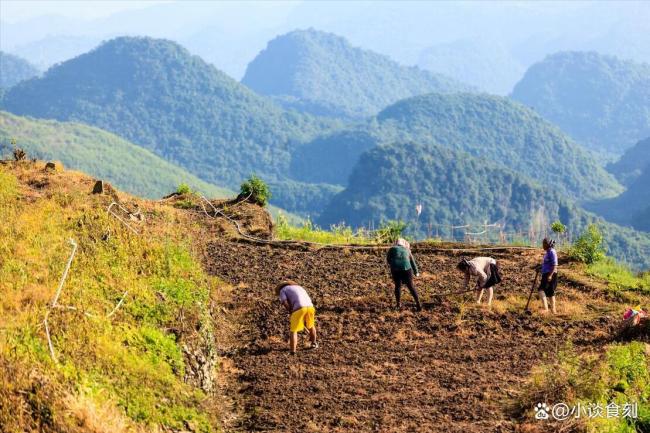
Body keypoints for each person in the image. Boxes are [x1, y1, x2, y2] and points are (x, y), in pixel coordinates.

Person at [275, 281, 318, 354]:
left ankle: (292, 351)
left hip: (299, 308)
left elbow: (285, 302)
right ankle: (314, 343)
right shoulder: (300, 287)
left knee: (294, 331)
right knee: (311, 325)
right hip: (310, 307)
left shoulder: (283, 290)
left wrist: (290, 310)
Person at [386, 238, 422, 311]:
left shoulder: (392, 248)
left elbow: (388, 259)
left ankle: (398, 304)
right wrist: (416, 272)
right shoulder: (407, 250)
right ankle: (418, 303)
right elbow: (412, 262)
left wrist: (393, 265)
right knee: (411, 286)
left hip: (395, 268)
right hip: (407, 268)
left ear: (396, 243)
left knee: (398, 286)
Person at [538, 238, 558, 314]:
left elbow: (555, 265)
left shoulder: (552, 252)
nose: (542, 245)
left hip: (550, 274)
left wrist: (550, 275)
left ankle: (545, 309)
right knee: (550, 292)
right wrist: (540, 267)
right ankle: (553, 311)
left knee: (541, 290)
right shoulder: (548, 252)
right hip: (547, 273)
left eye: (544, 243)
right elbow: (546, 263)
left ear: (547, 244)